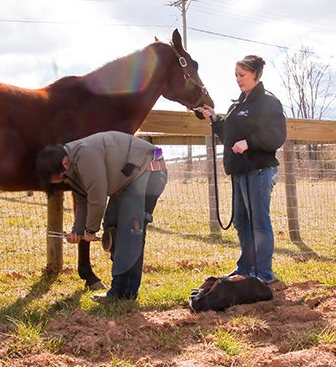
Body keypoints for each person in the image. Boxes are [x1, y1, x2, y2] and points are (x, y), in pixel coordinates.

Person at [35, 131, 167, 301]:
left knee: (127, 232)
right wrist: (78, 232)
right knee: (112, 229)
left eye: (59, 178)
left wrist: (90, 230)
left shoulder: (84, 154)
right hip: (129, 180)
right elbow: (83, 200)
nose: (62, 182)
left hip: (149, 170)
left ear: (64, 162)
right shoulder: (72, 164)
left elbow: (97, 197)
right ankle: (120, 290)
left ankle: (124, 294)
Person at [199, 55, 286, 284]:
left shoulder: (268, 102)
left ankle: (264, 273)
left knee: (259, 220)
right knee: (241, 221)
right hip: (239, 172)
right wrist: (215, 120)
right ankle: (246, 268)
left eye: (242, 75)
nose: (238, 80)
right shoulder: (237, 105)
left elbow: (277, 135)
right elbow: (229, 136)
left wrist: (249, 143)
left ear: (256, 75)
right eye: (236, 75)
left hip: (258, 170)